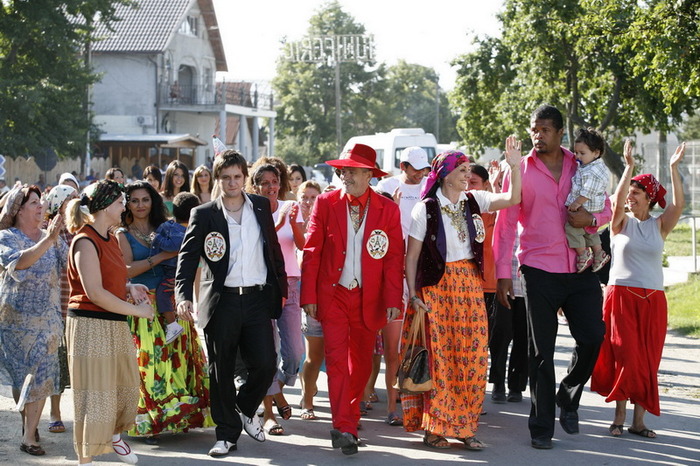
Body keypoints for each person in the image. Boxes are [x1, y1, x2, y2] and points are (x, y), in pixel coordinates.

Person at [493, 105, 611, 450]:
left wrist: (589, 218)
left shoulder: (581, 163)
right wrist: (502, 273)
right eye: (534, 129)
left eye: (545, 130)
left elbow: (605, 206)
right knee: (540, 352)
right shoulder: (520, 170)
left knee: (593, 337)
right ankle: (541, 427)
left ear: (560, 133)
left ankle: (568, 395)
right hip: (538, 268)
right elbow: (504, 226)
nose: (538, 136)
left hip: (580, 267)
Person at [403, 142, 522, 451]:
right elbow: (412, 256)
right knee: (442, 360)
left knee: (473, 356)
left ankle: (466, 427)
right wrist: (413, 294)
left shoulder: (474, 200)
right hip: (437, 288)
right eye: (462, 169)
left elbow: (513, 198)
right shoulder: (424, 208)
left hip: (469, 284)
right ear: (445, 174)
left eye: (469, 169)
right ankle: (435, 428)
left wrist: (515, 166)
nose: (468, 174)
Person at [175, 150, 287, 458]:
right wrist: (183, 296)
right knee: (221, 371)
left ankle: (244, 406)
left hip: (257, 300)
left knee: (266, 363)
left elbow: (273, 250)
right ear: (217, 179)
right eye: (226, 177)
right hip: (221, 301)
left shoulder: (261, 207)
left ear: (244, 178)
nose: (232, 182)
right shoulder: (204, 213)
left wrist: (282, 288)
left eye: (237, 177)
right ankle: (226, 436)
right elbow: (186, 261)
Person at [301, 143, 404, 456]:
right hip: (334, 296)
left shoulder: (388, 209)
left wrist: (392, 298)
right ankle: (343, 426)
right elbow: (312, 251)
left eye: (352, 170)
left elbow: (393, 258)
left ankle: (351, 416)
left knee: (360, 365)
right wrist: (309, 295)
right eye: (343, 169)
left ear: (368, 174)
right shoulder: (325, 202)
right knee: (336, 362)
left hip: (369, 298)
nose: (345, 174)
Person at [591, 141, 686, 439]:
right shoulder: (621, 224)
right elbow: (616, 204)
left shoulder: (660, 226)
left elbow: (679, 204)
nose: (630, 197)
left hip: (653, 300)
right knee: (626, 357)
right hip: (621, 297)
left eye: (636, 193)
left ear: (648, 199)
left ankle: (639, 422)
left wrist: (672, 167)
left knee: (647, 361)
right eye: (629, 192)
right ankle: (619, 417)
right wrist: (628, 168)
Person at [64, 180, 154, 464]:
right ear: (104, 207)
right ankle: (87, 458)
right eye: (119, 202)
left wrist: (129, 288)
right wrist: (137, 311)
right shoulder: (84, 240)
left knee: (126, 387)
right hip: (90, 324)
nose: (125, 206)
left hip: (113, 323)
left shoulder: (112, 237)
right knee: (94, 397)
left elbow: (110, 281)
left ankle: (113, 435)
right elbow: (94, 293)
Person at [116, 181, 211, 443]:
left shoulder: (165, 227)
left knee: (178, 359)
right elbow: (126, 271)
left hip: (171, 300)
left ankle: (177, 417)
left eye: (145, 199)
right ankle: (150, 422)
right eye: (134, 201)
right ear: (127, 204)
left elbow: (189, 260)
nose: (140, 205)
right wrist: (159, 257)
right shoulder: (122, 234)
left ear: (153, 201)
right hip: (141, 304)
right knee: (150, 363)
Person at [0, 185, 67, 457]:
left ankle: (29, 437)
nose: (41, 207)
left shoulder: (52, 237)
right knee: (21, 378)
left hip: (47, 320)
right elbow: (21, 263)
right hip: (15, 320)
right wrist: (48, 240)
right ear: (18, 210)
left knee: (42, 373)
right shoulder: (7, 237)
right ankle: (29, 423)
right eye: (34, 202)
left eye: (41, 202)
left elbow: (70, 265)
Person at [249, 163, 305, 436]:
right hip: (261, 286)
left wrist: (294, 223)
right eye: (265, 183)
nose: (271, 187)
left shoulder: (290, 207)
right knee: (266, 352)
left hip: (291, 284)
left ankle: (278, 389)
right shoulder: (250, 210)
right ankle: (269, 414)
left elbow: (304, 244)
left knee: (295, 352)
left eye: (275, 181)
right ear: (256, 186)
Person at [44, 185, 78, 435]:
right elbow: (65, 263)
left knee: (76, 363)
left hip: (78, 305)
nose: (76, 204)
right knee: (56, 363)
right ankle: (55, 412)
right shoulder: (51, 233)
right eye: (71, 200)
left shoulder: (82, 230)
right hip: (56, 307)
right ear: (59, 205)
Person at [151, 192, 200, 343]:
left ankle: (172, 325)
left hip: (174, 271)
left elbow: (172, 247)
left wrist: (156, 238)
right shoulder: (191, 229)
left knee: (162, 294)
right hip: (176, 270)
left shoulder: (178, 230)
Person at [488, 235, 528, 404]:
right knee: (500, 333)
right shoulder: (504, 212)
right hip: (503, 280)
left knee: (524, 337)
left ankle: (516, 386)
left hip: (529, 284)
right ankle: (498, 383)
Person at [565, 128, 612, 273]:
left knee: (572, 228)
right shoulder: (589, 165)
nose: (577, 156)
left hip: (587, 205)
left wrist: (577, 203)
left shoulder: (594, 170)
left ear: (596, 153)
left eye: (582, 153)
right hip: (592, 207)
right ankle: (599, 253)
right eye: (576, 152)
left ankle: (583, 254)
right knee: (589, 231)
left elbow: (588, 190)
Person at [297, 180, 324, 420]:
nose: (308, 202)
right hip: (303, 294)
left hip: (326, 295)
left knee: (324, 355)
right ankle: (307, 400)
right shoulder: (292, 223)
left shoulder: (326, 222)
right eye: (304, 197)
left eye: (313, 197)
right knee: (311, 356)